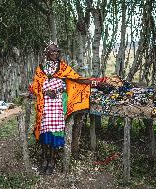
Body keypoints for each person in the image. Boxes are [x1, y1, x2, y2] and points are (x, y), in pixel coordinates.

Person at [28, 41, 119, 175]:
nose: (55, 53)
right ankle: (44, 160)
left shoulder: (62, 67)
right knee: (44, 131)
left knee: (55, 131)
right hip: (44, 104)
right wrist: (45, 92)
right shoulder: (40, 69)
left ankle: (52, 161)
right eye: (52, 51)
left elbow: (78, 79)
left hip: (58, 103)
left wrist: (97, 82)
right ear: (46, 53)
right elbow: (36, 87)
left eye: (56, 51)